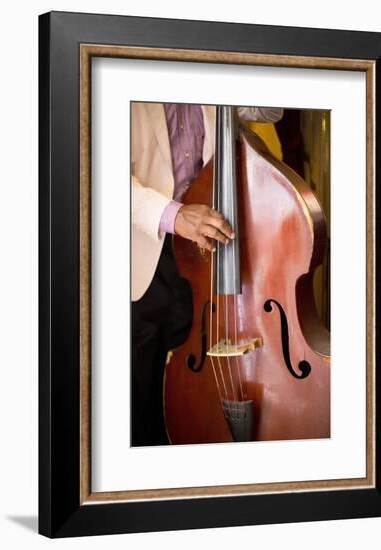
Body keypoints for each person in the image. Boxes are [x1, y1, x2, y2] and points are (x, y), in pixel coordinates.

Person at [131, 102, 283, 446]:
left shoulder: (213, 83)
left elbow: (271, 111)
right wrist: (175, 215)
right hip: (138, 253)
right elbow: (94, 172)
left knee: (187, 378)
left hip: (204, 258)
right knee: (134, 392)